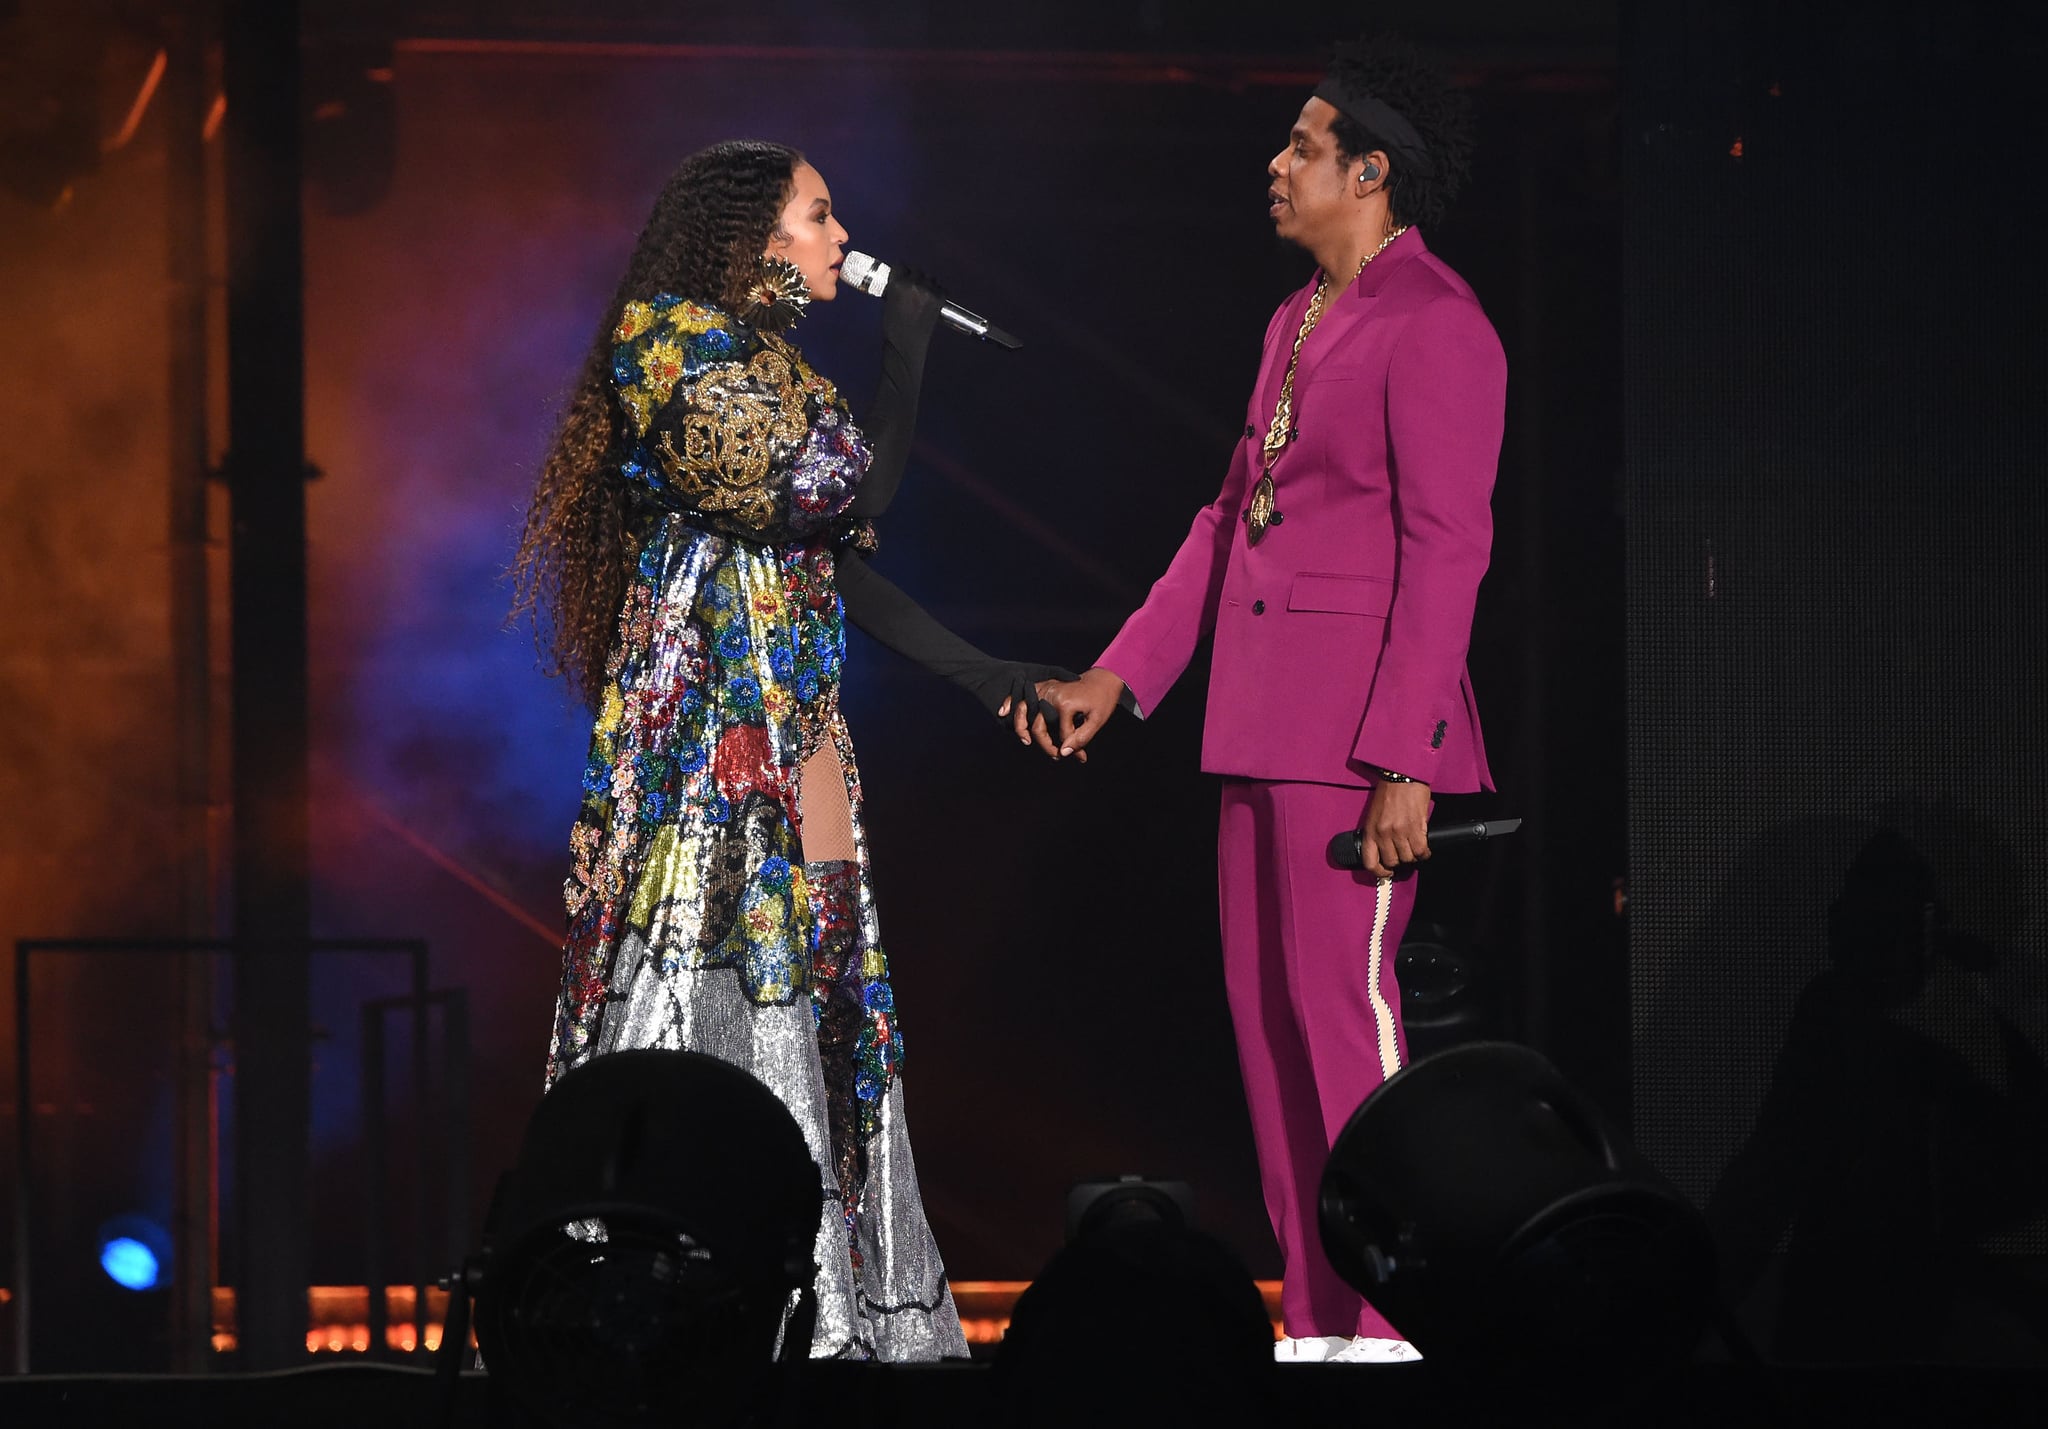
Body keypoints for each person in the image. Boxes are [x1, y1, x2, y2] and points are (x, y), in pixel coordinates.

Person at [512, 139, 1057, 1361]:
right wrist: (903, 351)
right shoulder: (666, 344)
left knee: (826, 988)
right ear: (752, 237)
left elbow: (838, 558)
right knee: (692, 989)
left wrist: (990, 679)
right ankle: (652, 1301)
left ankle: (834, 1306)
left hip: (795, 717)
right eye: (818, 217)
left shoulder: (772, 364)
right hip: (705, 729)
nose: (838, 239)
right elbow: (825, 494)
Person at [1019, 38, 1504, 1364]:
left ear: (1371, 171)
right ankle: (1321, 1317)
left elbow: (1448, 547)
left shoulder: (1438, 322)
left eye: (1302, 147)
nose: (1276, 166)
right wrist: (1119, 675)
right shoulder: (1293, 323)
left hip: (1355, 743)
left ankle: (1406, 1321)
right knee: (1272, 1030)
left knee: (1349, 1024)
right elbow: (1233, 520)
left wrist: (1407, 757)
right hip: (1258, 721)